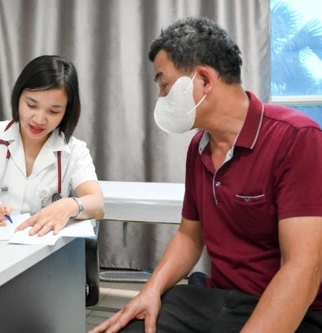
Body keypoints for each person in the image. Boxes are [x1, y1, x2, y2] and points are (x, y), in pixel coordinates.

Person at [91, 17, 322, 333]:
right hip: (218, 299)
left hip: (293, 307)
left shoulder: (297, 138)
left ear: (202, 79)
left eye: (164, 85)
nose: (161, 99)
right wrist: (151, 290)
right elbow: (189, 234)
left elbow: (304, 268)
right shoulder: (198, 149)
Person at [0, 55, 104, 236]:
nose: (39, 119)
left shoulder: (75, 150)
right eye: (31, 105)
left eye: (53, 111)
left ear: (66, 112)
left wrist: (71, 205)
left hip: (45, 252)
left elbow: (98, 205)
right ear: (18, 96)